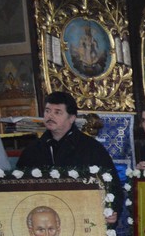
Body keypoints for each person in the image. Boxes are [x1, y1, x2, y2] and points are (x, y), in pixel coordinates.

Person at [18, 91, 123, 223]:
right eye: (47, 111)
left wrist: (112, 210)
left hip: (81, 218)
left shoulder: (91, 148)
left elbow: (113, 185)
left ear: (72, 118)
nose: (50, 116)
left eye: (57, 112)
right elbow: (19, 186)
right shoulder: (32, 150)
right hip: (44, 220)